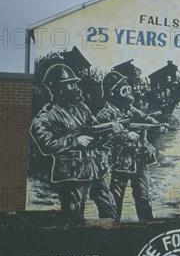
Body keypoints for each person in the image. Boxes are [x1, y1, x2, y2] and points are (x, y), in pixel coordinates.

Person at [30, 64, 118, 221]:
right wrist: (75, 141)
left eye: (75, 83)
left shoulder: (82, 108)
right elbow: (46, 144)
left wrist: (111, 131)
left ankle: (108, 241)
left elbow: (95, 131)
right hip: (71, 174)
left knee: (110, 207)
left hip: (94, 169)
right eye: (71, 84)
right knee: (74, 216)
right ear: (59, 89)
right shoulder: (47, 115)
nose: (76, 88)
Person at [96, 71, 162, 222]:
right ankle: (113, 228)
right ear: (113, 93)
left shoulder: (129, 108)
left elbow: (144, 117)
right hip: (120, 163)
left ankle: (148, 228)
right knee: (116, 197)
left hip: (138, 160)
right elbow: (102, 136)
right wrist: (125, 135)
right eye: (124, 90)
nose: (128, 93)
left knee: (143, 197)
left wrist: (158, 125)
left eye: (128, 89)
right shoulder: (105, 114)